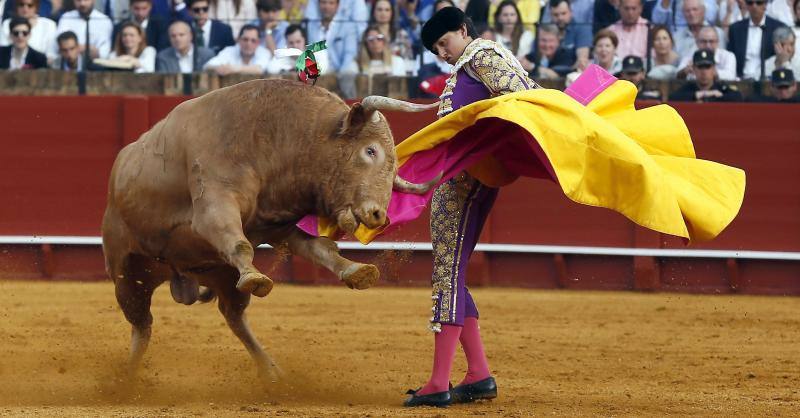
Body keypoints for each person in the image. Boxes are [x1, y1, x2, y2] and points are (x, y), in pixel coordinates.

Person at [403, 6, 540, 408]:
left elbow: (525, 97)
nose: (442, 53)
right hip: (462, 179)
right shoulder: (469, 63)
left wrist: (493, 141)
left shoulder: (482, 56)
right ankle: (478, 373)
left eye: (444, 43)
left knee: (446, 273)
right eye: (435, 50)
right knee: (452, 273)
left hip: (467, 182)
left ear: (463, 30)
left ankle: (438, 382)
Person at [727, 0, 787, 79]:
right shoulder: (735, 29)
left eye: (759, 3)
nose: (754, 6)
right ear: (746, 6)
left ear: (765, 5)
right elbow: (731, 56)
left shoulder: (777, 27)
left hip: (768, 78)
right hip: (741, 78)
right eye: (750, 3)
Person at [669, 48, 743, 101]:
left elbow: (738, 97)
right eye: (700, 67)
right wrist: (698, 95)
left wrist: (717, 97)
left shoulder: (721, 88)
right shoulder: (688, 89)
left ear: (714, 69)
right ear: (694, 69)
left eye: (707, 67)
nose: (704, 72)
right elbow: (672, 98)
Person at [203, 23, 277, 74]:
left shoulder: (264, 52)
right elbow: (207, 66)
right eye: (245, 39)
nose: (248, 43)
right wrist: (219, 69)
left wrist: (233, 69)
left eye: (253, 40)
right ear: (239, 39)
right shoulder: (229, 50)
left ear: (258, 42)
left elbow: (259, 69)